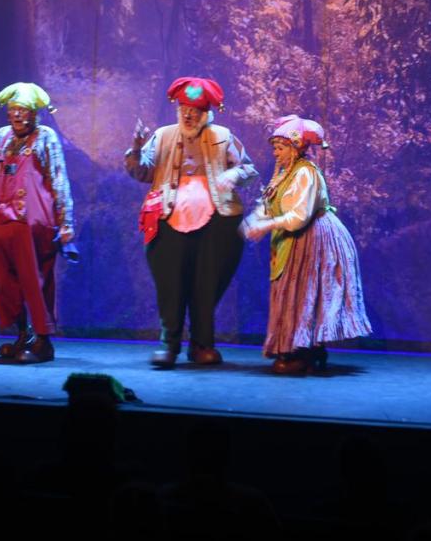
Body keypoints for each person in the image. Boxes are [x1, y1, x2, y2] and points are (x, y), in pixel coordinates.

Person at [125, 77, 257, 368]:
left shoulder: (222, 136)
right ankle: (169, 344)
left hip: (216, 221)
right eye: (184, 109)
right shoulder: (163, 136)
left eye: (194, 110)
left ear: (206, 113)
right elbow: (141, 172)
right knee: (170, 284)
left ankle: (201, 344)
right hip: (169, 218)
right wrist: (135, 149)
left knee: (206, 285)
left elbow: (249, 169)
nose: (188, 115)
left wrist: (233, 175)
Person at [240, 115, 372, 373]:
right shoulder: (284, 173)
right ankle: (296, 348)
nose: (276, 153)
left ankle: (305, 350)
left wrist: (266, 226)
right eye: (275, 148)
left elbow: (299, 216)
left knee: (305, 292)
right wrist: (254, 221)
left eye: (280, 148)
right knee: (292, 291)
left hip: (313, 237)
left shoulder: (305, 173)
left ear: (295, 147)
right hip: (293, 238)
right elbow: (269, 203)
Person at [0, 82, 74, 364]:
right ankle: (23, 334)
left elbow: (58, 176)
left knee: (34, 279)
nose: (17, 115)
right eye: (13, 110)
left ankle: (43, 340)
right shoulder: (1, 136)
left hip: (31, 222)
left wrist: (65, 221)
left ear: (35, 113)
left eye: (23, 110)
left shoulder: (45, 136)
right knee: (3, 280)